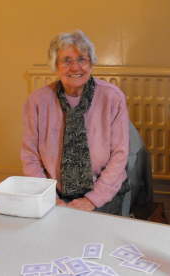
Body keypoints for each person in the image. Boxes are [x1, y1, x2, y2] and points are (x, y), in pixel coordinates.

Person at [21, 30, 129, 215]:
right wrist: (49, 197)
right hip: (53, 193)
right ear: (55, 66)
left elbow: (119, 155)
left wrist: (92, 199)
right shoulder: (38, 101)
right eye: (67, 60)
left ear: (91, 63)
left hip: (103, 191)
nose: (75, 67)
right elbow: (30, 157)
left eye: (82, 59)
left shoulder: (112, 97)